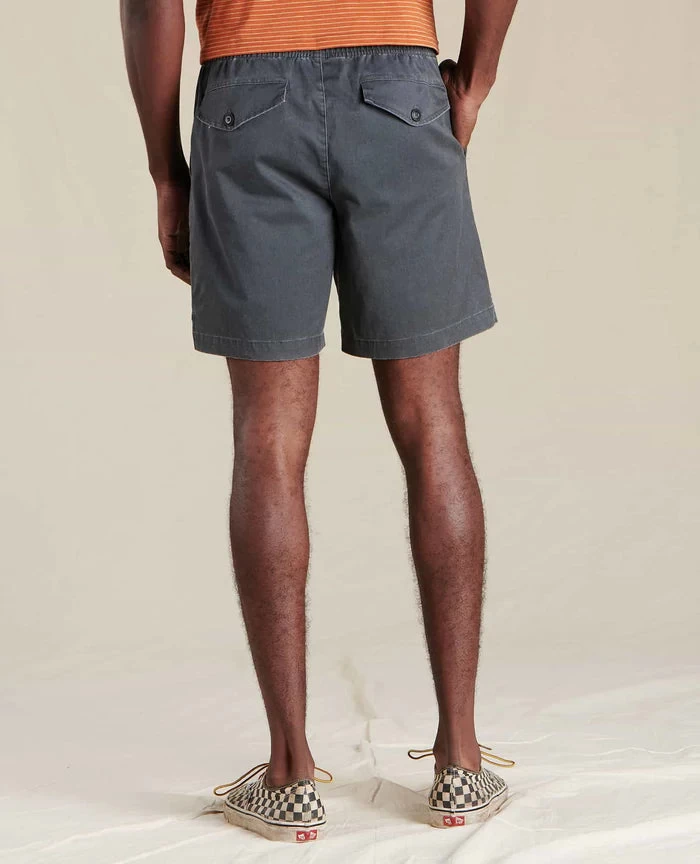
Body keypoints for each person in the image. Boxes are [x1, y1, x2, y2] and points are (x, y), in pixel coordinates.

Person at [121, 0, 518, 843]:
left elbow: (152, 5)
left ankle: (290, 773)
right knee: (434, 426)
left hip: (247, 98)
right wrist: (475, 82)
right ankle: (460, 760)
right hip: (399, 89)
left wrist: (166, 171)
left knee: (267, 441)